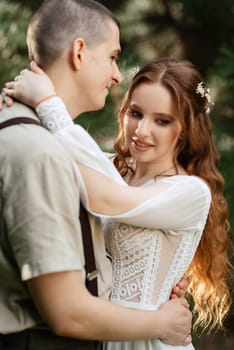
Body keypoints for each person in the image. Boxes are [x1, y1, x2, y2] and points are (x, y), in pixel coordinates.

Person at [0, 1, 193, 350]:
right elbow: (67, 311)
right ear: (78, 52)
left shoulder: (189, 190)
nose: (118, 75)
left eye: (162, 120)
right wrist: (164, 320)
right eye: (112, 57)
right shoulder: (42, 153)